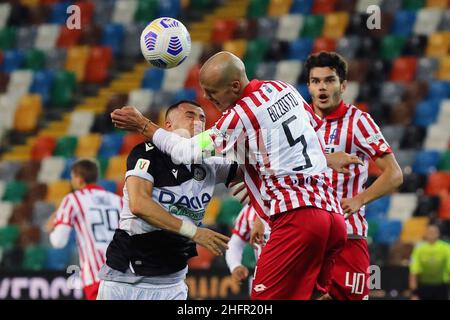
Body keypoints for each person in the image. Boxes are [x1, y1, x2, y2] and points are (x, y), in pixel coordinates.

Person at [111, 51, 363, 299]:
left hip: (297, 219)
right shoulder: (282, 88)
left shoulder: (240, 115)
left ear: (234, 86)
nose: (208, 99)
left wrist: (144, 125)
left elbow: (184, 151)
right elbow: (309, 134)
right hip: (332, 218)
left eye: (212, 92)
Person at [97, 100, 239, 300]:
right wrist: (194, 232)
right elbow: (139, 205)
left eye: (202, 118)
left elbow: (258, 166)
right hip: (126, 278)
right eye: (190, 115)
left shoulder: (210, 163)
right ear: (168, 126)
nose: (197, 121)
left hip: (173, 282)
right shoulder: (147, 152)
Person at [303, 51, 404, 300]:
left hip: (348, 235)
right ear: (308, 86)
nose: (322, 87)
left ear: (343, 85)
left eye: (329, 80)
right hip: (305, 235)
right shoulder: (298, 122)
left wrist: (359, 200)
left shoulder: (358, 121)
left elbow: (394, 174)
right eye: (316, 81)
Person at [46, 159, 123, 300]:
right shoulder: (118, 200)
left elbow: (59, 242)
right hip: (124, 273)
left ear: (78, 179)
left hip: (97, 275)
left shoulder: (72, 199)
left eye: (72, 178)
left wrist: (53, 228)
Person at [225, 203, 270, 285]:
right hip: (265, 277)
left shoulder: (294, 202)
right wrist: (235, 265)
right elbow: (235, 244)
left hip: (295, 273)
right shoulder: (249, 210)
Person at [409, 224, 450, 300]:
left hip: (442, 286)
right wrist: (414, 294)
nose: (432, 234)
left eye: (434, 232)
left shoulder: (446, 248)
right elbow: (413, 272)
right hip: (424, 286)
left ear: (438, 234)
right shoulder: (419, 249)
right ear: (425, 234)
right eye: (429, 232)